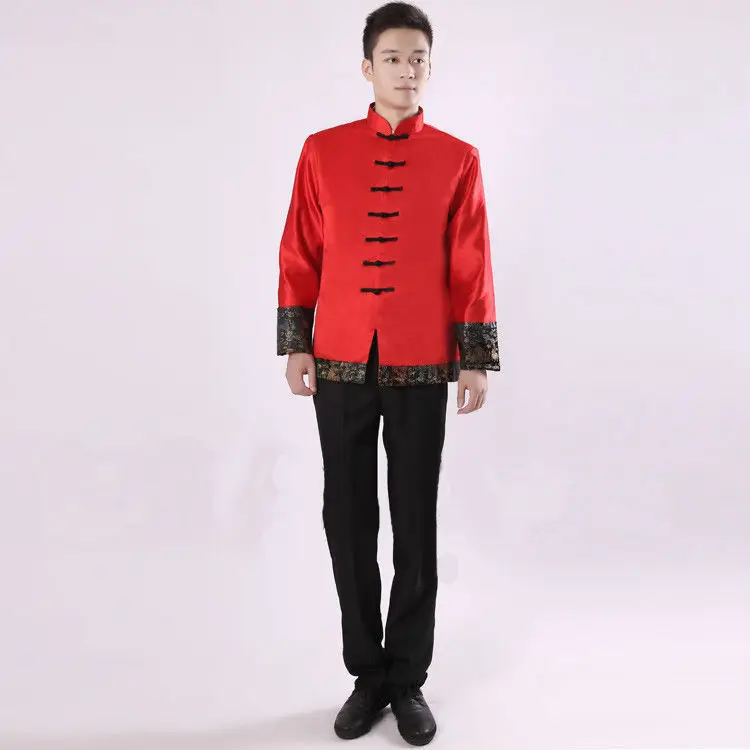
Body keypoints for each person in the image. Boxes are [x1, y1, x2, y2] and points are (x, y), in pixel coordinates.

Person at [276, 2, 501, 744]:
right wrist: (297, 342)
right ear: (367, 67)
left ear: (431, 67)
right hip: (339, 355)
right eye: (394, 58)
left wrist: (475, 358)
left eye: (419, 59)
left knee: (414, 518)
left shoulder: (459, 158)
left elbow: (471, 261)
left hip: (422, 357)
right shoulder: (321, 151)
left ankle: (407, 678)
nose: (408, 71)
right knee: (346, 516)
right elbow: (300, 247)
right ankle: (365, 673)